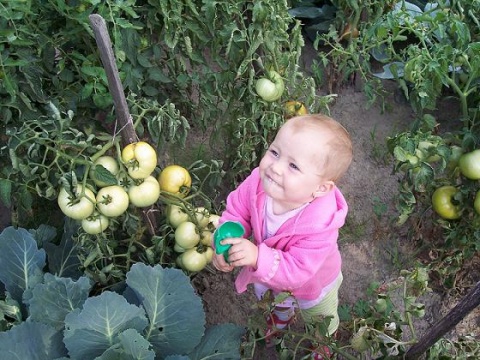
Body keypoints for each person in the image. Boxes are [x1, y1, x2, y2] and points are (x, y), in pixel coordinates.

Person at [212, 114, 353, 358]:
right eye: (275, 152)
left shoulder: (320, 225)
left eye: (294, 166)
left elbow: (298, 270)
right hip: (272, 278)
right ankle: (280, 318)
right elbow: (238, 209)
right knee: (277, 302)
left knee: (320, 319)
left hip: (315, 285)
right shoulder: (258, 182)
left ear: (321, 188)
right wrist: (225, 239)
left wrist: (257, 257)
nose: (275, 167)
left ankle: (322, 344)